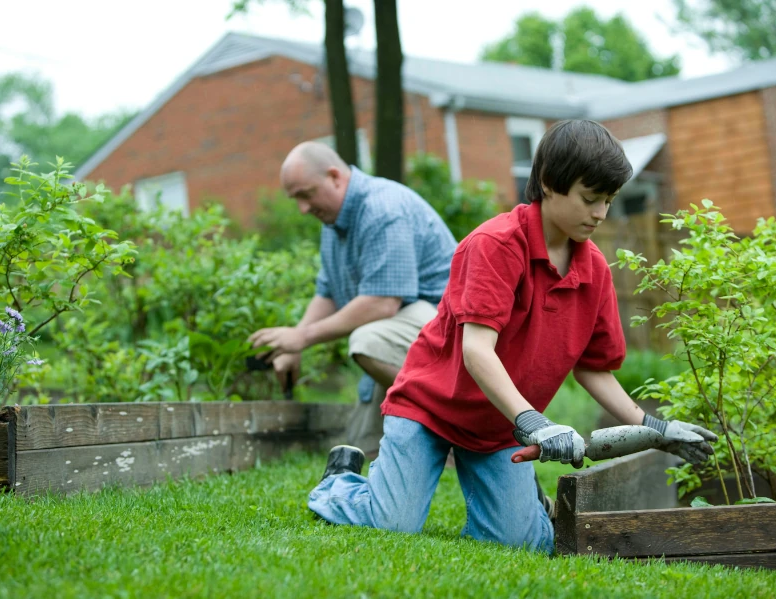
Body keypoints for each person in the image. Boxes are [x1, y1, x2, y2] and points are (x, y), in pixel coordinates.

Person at [306, 120, 718, 553]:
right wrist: (536, 423)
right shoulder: (495, 245)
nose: (600, 213)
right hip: (430, 409)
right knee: (391, 524)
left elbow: (594, 370)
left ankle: (523, 506)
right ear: (547, 183)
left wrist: (657, 428)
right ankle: (341, 482)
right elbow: (477, 351)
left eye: (608, 201)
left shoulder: (593, 270)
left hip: (500, 425)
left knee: (520, 543)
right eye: (590, 198)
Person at [248, 142, 458, 455]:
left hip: (451, 335)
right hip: (406, 336)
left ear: (334, 176)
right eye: (296, 200)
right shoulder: (333, 222)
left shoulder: (382, 208)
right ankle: (423, 438)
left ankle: (456, 428)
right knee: (360, 448)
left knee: (368, 341)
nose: (303, 209)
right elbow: (328, 292)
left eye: (306, 194)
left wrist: (303, 337)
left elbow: (382, 303)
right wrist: (291, 345)